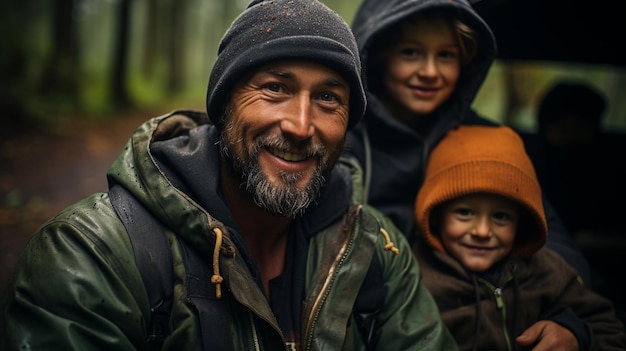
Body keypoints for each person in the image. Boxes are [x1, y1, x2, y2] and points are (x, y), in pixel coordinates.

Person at [0, 1, 458, 350]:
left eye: (328, 99)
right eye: (275, 88)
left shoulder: (376, 249)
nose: (301, 125)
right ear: (223, 105)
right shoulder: (90, 257)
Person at [346, 0, 592, 287]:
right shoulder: (342, 140)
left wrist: (567, 319)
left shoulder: (489, 142)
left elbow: (555, 246)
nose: (430, 71)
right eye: (410, 52)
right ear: (376, 56)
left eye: (446, 55)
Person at [412, 124, 626, 351]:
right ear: (435, 216)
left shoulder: (547, 271)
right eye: (465, 213)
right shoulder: (415, 279)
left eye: (501, 216)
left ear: (521, 223)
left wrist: (576, 335)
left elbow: (610, 330)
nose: (483, 232)